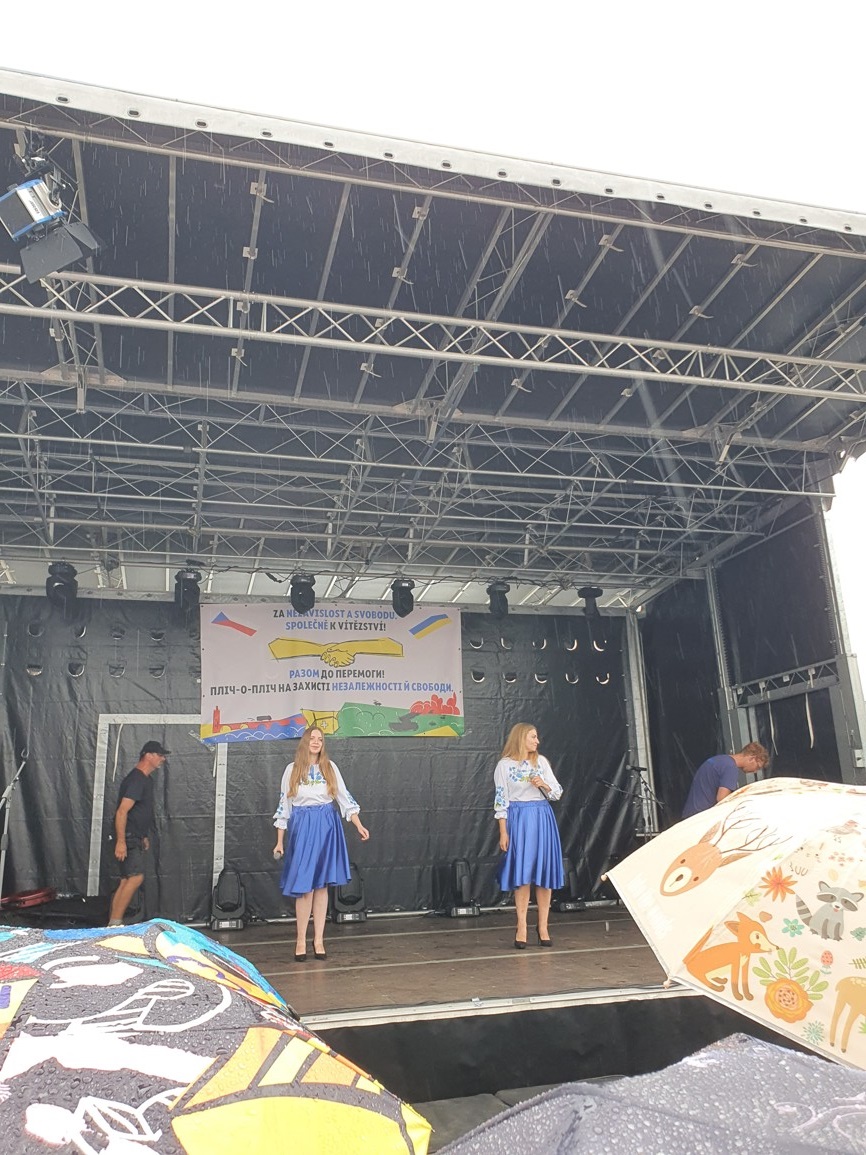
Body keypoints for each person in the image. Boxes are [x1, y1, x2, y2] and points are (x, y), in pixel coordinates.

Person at [273, 726, 369, 961]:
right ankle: (300, 940)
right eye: (312, 738)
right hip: (303, 827)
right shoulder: (292, 770)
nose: (316, 742)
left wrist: (358, 825)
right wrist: (279, 841)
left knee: (322, 886)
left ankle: (318, 940)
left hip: (327, 825)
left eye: (320, 739)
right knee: (304, 887)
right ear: (305, 742)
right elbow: (284, 806)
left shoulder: (330, 767)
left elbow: (344, 798)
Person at [494, 723, 564, 949]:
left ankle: (543, 926)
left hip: (542, 816)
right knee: (522, 874)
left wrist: (544, 784)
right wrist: (503, 831)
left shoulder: (541, 762)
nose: (537, 741)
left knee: (544, 873)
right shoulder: (504, 766)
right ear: (521, 738)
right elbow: (501, 799)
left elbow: (557, 793)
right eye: (533, 737)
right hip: (519, 818)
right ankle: (521, 925)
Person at [108, 740, 168, 926]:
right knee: (135, 877)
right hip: (127, 836)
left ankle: (112, 923)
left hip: (135, 836)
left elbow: (139, 811)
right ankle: (115, 923)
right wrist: (121, 841)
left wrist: (143, 836)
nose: (163, 759)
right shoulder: (136, 780)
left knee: (126, 879)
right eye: (160, 755)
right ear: (148, 755)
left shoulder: (146, 780)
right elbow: (122, 811)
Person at [680, 741, 770, 819]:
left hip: (691, 815)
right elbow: (722, 799)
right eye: (757, 767)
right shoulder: (731, 767)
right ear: (751, 758)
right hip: (701, 818)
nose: (755, 771)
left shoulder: (720, 760)